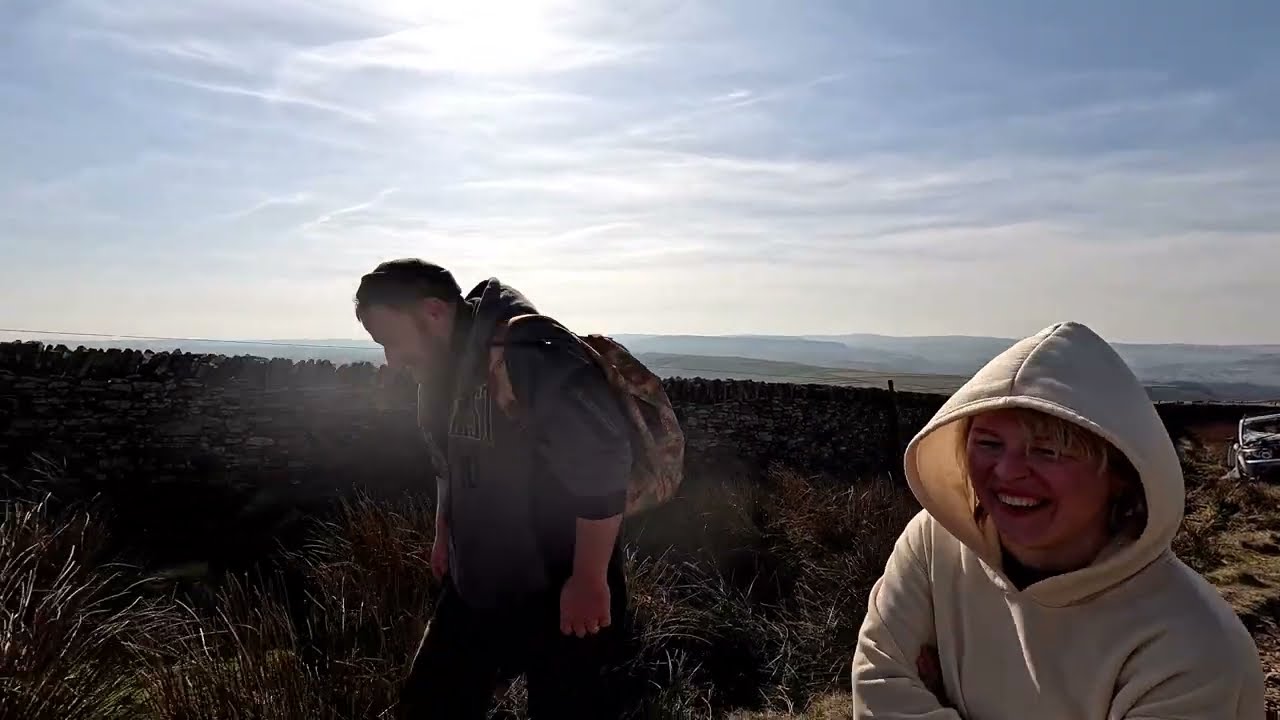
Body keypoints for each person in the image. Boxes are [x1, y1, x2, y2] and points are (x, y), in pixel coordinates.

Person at [851, 321, 1265, 719]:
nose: (1008, 472)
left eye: (1049, 451)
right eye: (989, 443)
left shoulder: (1190, 647)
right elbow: (878, 678)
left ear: (1122, 474)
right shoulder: (933, 543)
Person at [354, 259, 633, 719]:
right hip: (478, 582)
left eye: (391, 340)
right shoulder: (441, 371)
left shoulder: (530, 354)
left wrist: (588, 579)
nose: (392, 359)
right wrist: (444, 535)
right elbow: (446, 461)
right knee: (429, 705)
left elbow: (602, 464)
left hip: (559, 585)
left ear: (434, 312)